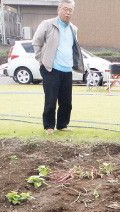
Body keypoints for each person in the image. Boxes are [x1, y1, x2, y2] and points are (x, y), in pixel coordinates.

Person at [32, 0, 85, 136]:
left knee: (66, 101)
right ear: (58, 9)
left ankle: (62, 124)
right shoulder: (48, 25)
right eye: (65, 9)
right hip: (51, 68)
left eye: (70, 10)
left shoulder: (73, 28)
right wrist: (40, 60)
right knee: (51, 99)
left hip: (67, 69)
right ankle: (48, 126)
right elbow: (36, 42)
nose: (68, 12)